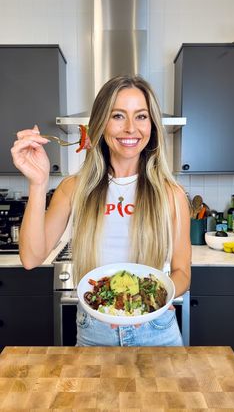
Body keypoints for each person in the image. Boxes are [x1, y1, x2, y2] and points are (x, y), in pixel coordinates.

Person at [11, 75, 191, 347]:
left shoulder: (171, 194)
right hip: (95, 332)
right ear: (101, 124)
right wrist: (38, 184)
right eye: (118, 116)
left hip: (156, 330)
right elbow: (31, 258)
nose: (131, 128)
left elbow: (182, 272)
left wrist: (155, 299)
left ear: (152, 126)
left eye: (141, 116)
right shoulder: (74, 188)